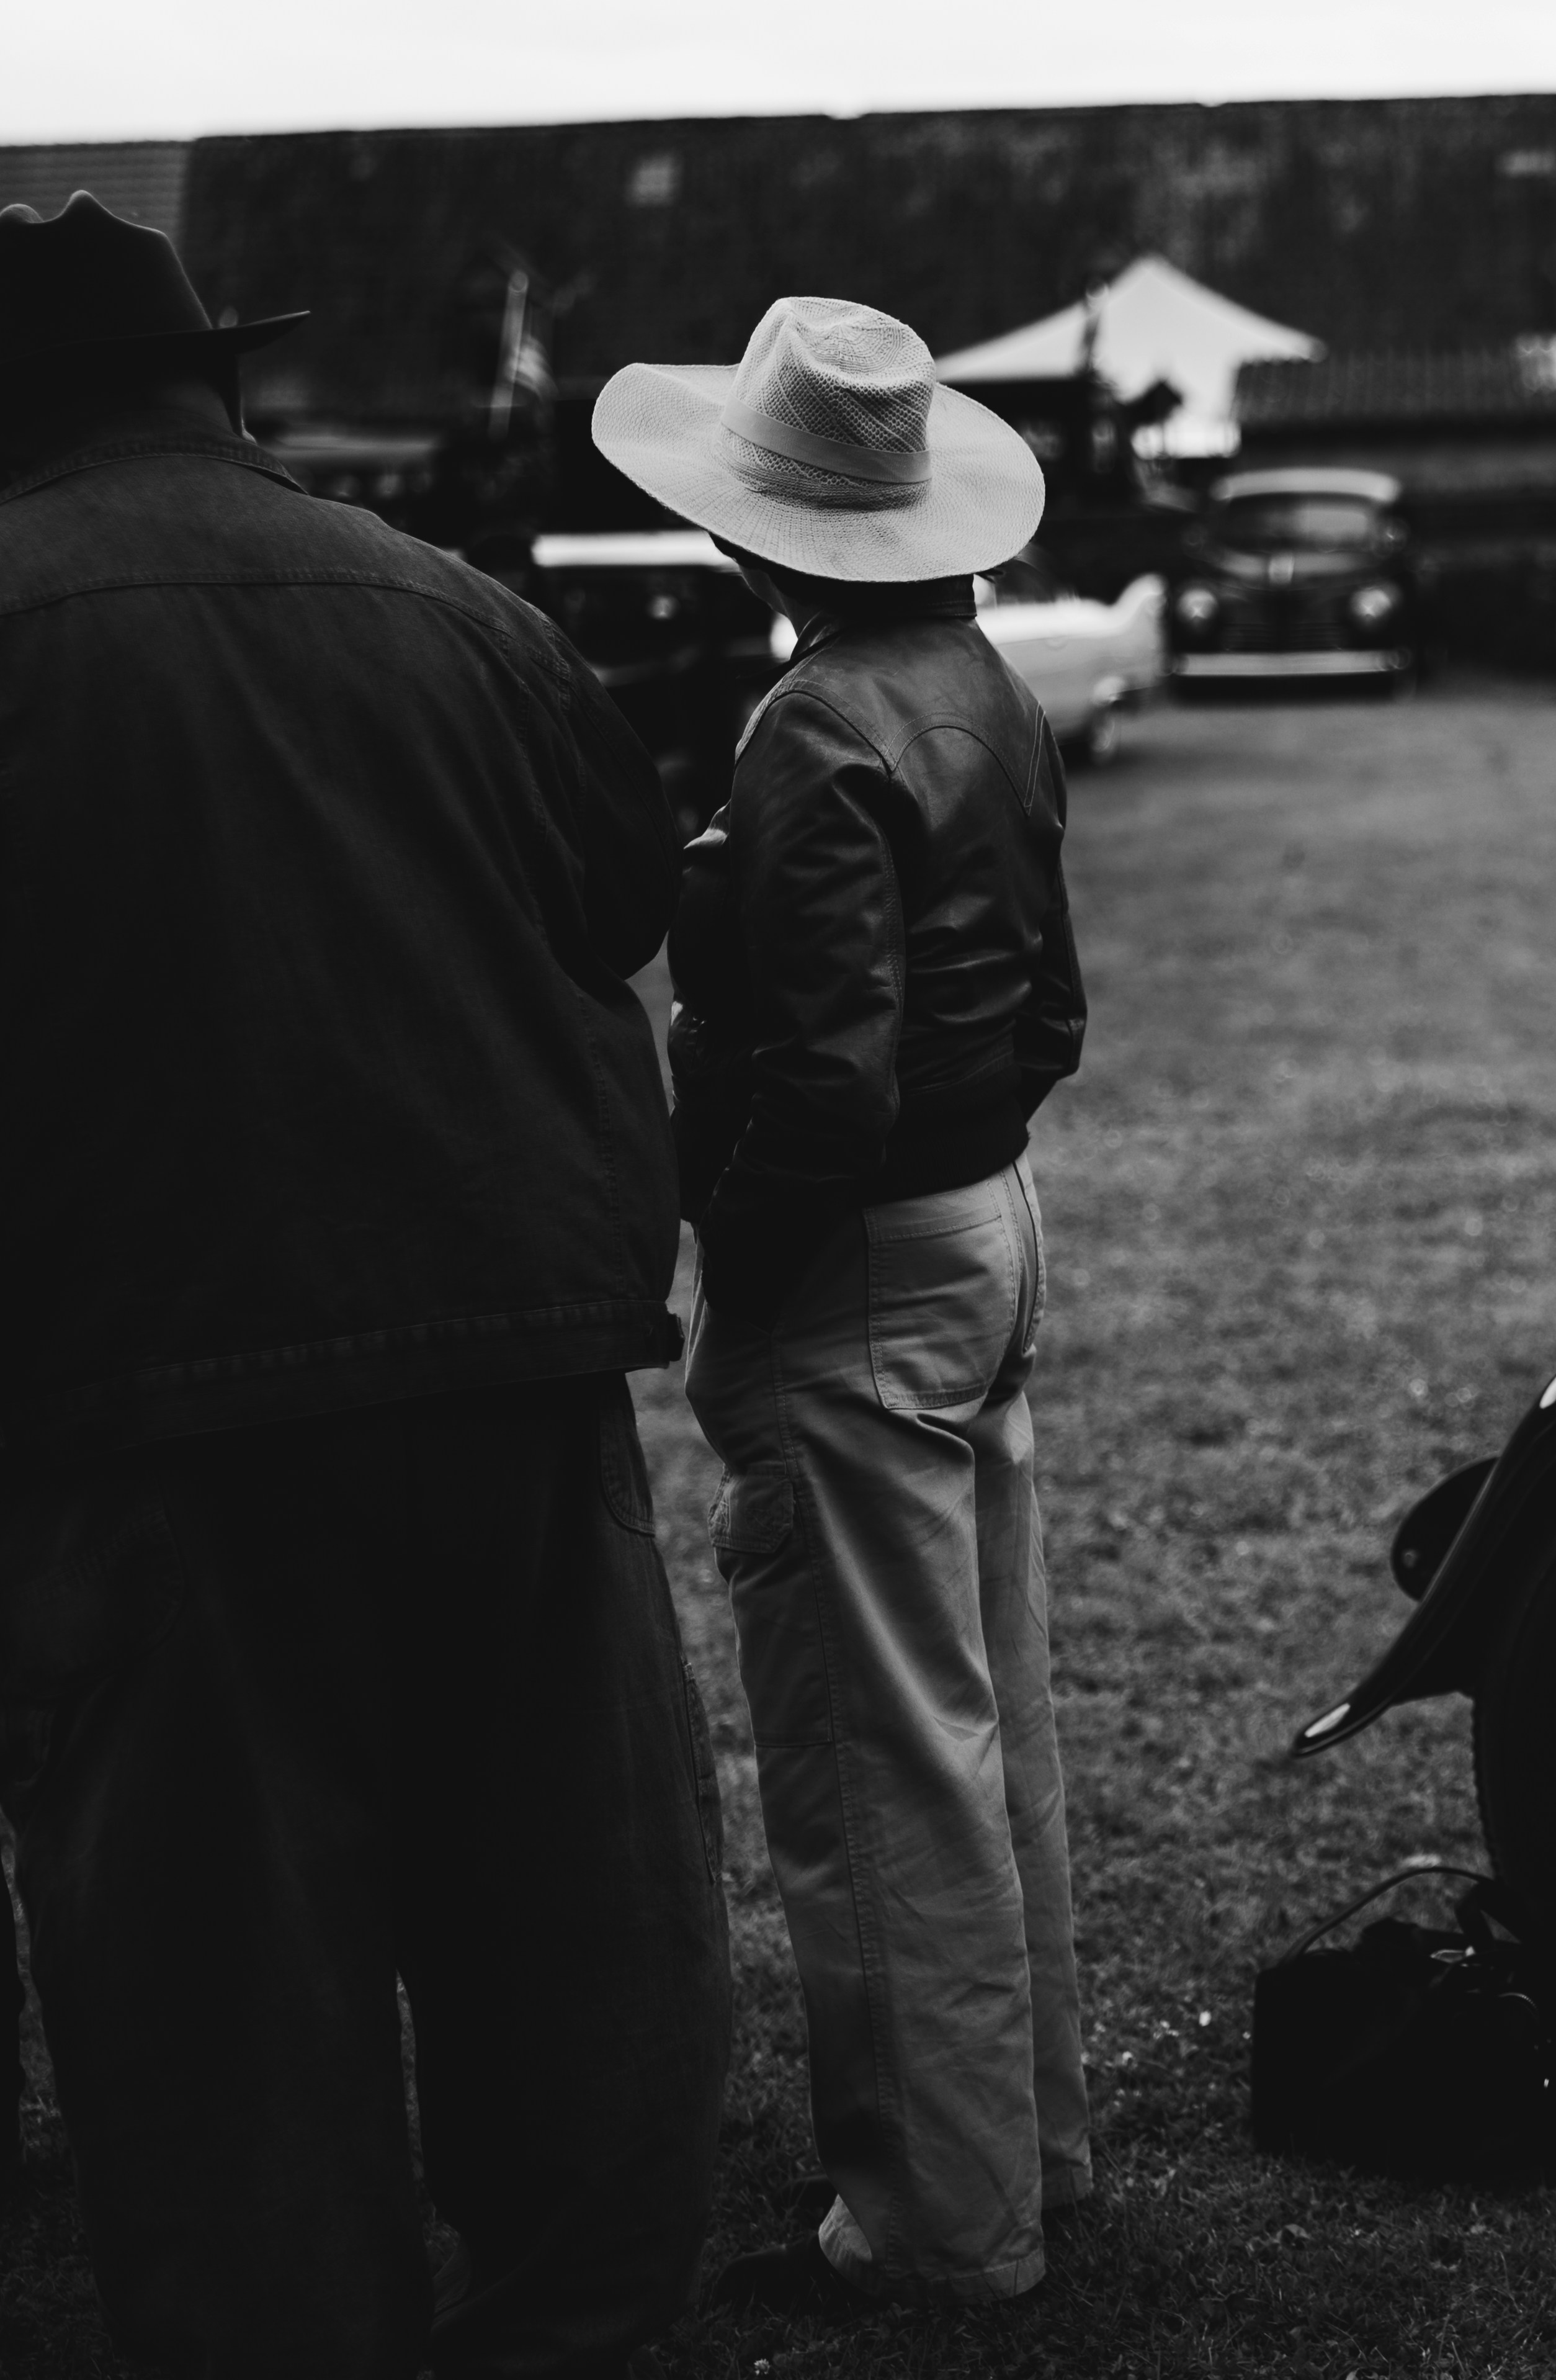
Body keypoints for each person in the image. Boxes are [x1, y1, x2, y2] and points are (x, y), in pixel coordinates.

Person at [0, 195, 730, 2374]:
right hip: (515, 1384)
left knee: (232, 2040)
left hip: (157, 1425)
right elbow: (616, 895)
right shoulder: (464, 614)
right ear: (215, 386)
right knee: (571, 1959)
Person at [593, 297, 1091, 2311]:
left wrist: (722, 1257)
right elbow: (1042, 1007)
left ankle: (942, 2216)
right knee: (993, 1717)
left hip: (866, 1260)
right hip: (989, 1222)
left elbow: (823, 1080)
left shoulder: (812, 726)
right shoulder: (987, 686)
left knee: (888, 1761)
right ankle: (1029, 2144)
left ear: (767, 533)